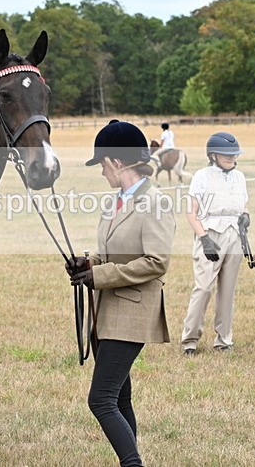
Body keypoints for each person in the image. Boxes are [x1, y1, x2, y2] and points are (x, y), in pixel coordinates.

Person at [66, 119, 175, 467]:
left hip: (132, 312)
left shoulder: (155, 202)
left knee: (100, 399)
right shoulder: (118, 201)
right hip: (108, 312)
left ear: (116, 162)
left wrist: (101, 275)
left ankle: (133, 464)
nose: (101, 173)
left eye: (102, 165)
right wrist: (88, 263)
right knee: (120, 396)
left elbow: (156, 262)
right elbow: (113, 252)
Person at [181, 132, 248, 355]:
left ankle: (224, 339)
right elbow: (191, 212)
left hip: (234, 236)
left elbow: (243, 205)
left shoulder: (240, 177)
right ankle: (190, 339)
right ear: (213, 155)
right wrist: (204, 238)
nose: (231, 158)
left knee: (227, 291)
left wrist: (246, 216)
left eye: (233, 154)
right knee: (203, 288)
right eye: (226, 154)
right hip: (210, 235)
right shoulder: (202, 176)